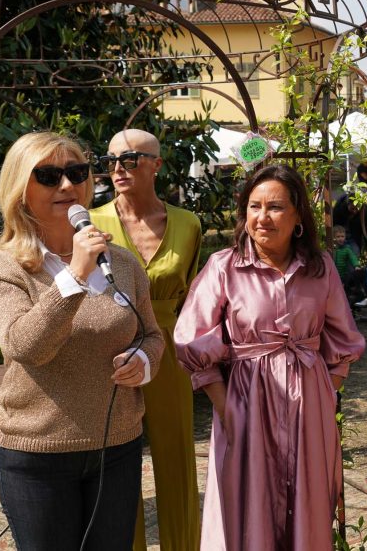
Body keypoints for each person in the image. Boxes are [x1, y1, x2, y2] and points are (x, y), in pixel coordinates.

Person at [0, 131, 164, 550]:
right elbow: (26, 347)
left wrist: (143, 360)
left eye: (76, 173)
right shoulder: (0, 267)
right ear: (20, 191)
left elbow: (151, 333)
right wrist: (74, 276)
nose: (67, 185)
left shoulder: (122, 262)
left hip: (117, 446)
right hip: (38, 454)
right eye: (48, 176)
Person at [174, 164, 365, 549]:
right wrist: (226, 407)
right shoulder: (224, 267)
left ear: (297, 217)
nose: (262, 217)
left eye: (275, 207)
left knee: (308, 508)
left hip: (310, 405)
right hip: (245, 402)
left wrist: (324, 394)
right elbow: (192, 338)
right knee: (248, 509)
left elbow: (342, 339)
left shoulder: (320, 267)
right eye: (254, 206)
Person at [90, 128, 202, 551]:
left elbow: (193, 294)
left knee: (177, 455)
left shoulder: (188, 224)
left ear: (156, 165)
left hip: (170, 345)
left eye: (130, 159)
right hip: (110, 350)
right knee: (117, 462)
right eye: (110, 160)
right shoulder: (90, 222)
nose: (118, 168)